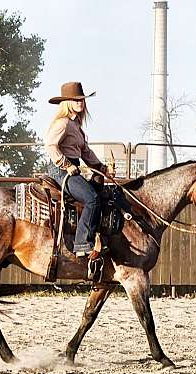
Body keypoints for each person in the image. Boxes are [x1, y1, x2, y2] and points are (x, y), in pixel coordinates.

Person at [44, 81, 114, 259]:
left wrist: (101, 168)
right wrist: (66, 165)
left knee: (100, 192)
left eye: (82, 99)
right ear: (67, 102)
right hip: (60, 170)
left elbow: (86, 152)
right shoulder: (63, 123)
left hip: (72, 168)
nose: (80, 102)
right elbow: (51, 145)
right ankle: (82, 243)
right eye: (76, 100)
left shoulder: (76, 127)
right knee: (91, 198)